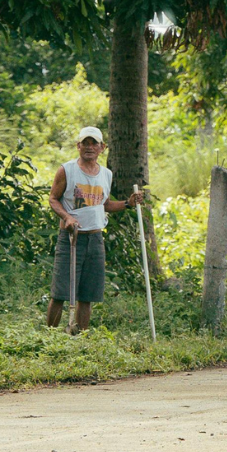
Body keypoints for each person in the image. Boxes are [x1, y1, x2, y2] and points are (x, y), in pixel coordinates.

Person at [46, 126, 139, 332]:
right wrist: (67, 217)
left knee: (87, 295)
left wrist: (128, 203)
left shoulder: (106, 174)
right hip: (71, 238)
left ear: (102, 147)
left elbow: (104, 204)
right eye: (85, 143)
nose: (89, 147)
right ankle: (50, 337)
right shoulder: (67, 170)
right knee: (60, 293)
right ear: (78, 146)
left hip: (95, 238)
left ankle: (81, 338)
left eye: (94, 143)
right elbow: (53, 198)